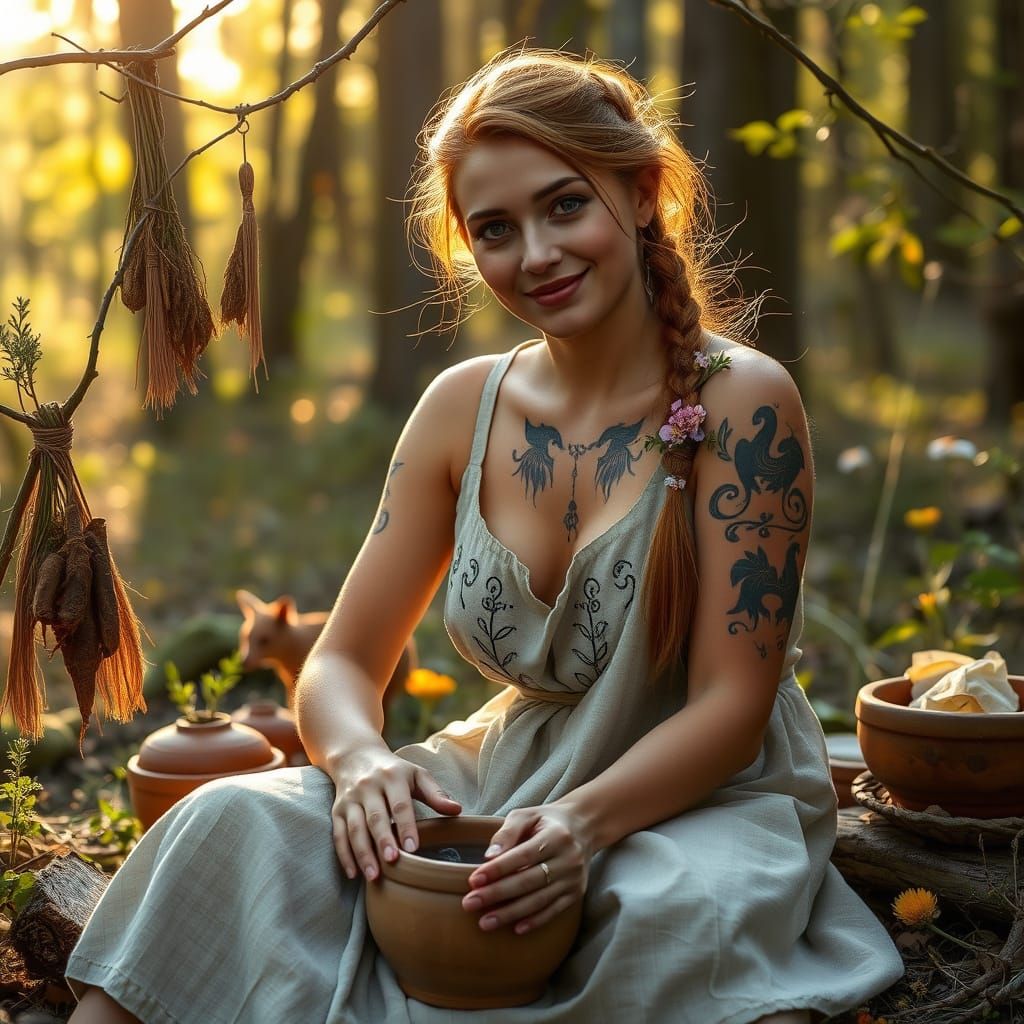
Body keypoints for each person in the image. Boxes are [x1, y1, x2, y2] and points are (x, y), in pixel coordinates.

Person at [65, 46, 905, 1024]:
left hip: (700, 793)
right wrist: (366, 766)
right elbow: (340, 666)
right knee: (228, 821)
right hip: (503, 768)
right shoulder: (459, 407)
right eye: (495, 229)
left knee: (663, 913)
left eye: (563, 206)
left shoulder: (744, 402)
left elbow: (730, 702)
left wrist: (580, 827)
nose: (536, 255)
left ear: (639, 194)